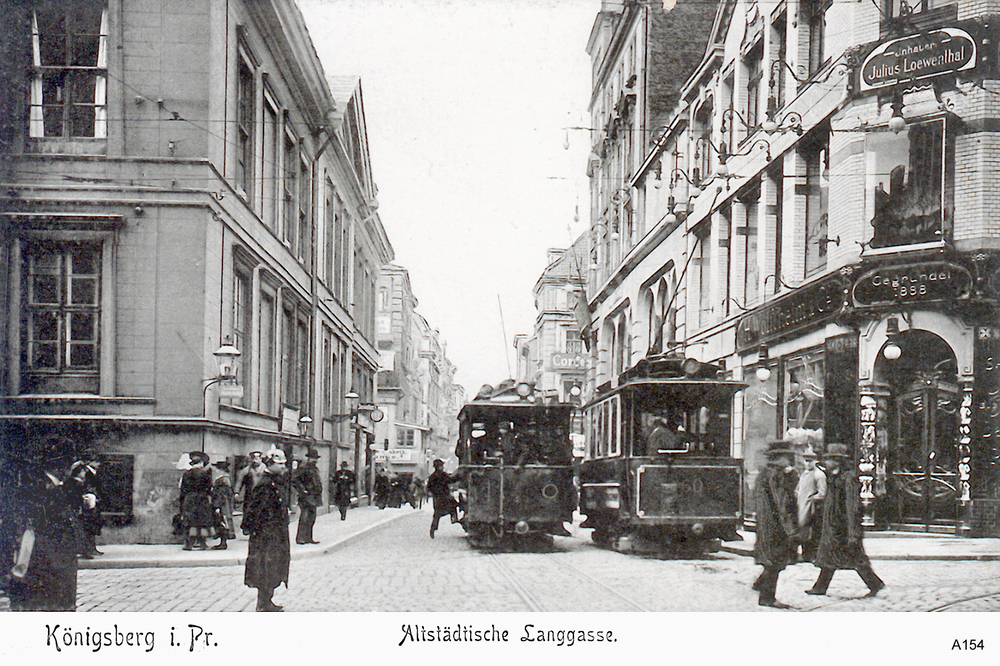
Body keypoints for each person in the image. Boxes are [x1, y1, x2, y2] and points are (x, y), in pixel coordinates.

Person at [805, 443, 885, 598]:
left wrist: (853, 531)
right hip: (834, 526)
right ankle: (820, 587)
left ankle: (875, 584)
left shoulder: (848, 479)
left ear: (837, 461)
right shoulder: (834, 477)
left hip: (843, 527)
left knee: (855, 558)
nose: (826, 463)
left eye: (829, 460)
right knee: (830, 558)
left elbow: (852, 505)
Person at [7, 460, 82, 611]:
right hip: (50, 553)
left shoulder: (48, 485)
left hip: (51, 551)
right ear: (58, 467)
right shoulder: (44, 488)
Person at [752, 440, 799, 609]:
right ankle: (767, 597)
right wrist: (790, 529)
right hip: (775, 525)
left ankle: (760, 585)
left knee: (771, 560)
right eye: (787, 457)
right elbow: (782, 503)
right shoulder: (777, 475)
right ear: (780, 458)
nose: (789, 460)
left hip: (765, 523)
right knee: (774, 561)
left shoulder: (764, 473)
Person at [242, 447, 291, 612]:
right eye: (281, 464)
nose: (284, 467)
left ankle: (266, 601)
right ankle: (263, 603)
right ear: (271, 464)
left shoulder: (274, 481)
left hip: (274, 533)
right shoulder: (265, 484)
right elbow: (256, 511)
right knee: (266, 568)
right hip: (267, 535)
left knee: (273, 567)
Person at [179, 451, 215, 551]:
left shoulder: (186, 474)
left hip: (190, 499)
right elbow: (209, 488)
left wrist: (182, 502)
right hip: (202, 499)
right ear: (201, 463)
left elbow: (183, 489)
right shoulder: (205, 474)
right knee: (202, 521)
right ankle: (203, 544)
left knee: (190, 521)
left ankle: (189, 544)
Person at [796, 447, 826, 562]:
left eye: (810, 460)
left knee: (811, 531)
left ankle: (812, 555)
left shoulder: (819, 475)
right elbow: (799, 489)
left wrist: (813, 498)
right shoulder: (804, 473)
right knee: (803, 530)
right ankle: (805, 554)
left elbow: (822, 493)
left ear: (815, 461)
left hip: (812, 507)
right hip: (801, 505)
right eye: (806, 460)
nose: (808, 463)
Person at [292, 447, 322, 544]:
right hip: (306, 496)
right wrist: (303, 490)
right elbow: (295, 479)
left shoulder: (315, 469)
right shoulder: (303, 468)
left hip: (314, 496)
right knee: (304, 517)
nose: (315, 460)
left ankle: (309, 538)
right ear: (308, 458)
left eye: (316, 458)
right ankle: (300, 538)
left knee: (312, 518)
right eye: (313, 458)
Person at [426, 459, 460, 539]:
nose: (442, 467)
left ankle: (433, 529)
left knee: (437, 514)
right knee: (453, 505)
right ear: (438, 467)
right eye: (441, 466)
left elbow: (429, 488)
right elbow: (451, 480)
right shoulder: (443, 475)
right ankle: (454, 518)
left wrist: (433, 492)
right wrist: (458, 477)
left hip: (438, 498)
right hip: (443, 497)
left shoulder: (432, 477)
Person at [210, 460, 235, 550]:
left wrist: (217, 506)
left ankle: (223, 543)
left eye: (217, 469)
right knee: (223, 522)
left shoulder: (222, 481)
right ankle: (222, 542)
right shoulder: (226, 479)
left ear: (221, 470)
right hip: (226, 505)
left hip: (222, 506)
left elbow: (220, 495)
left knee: (222, 522)